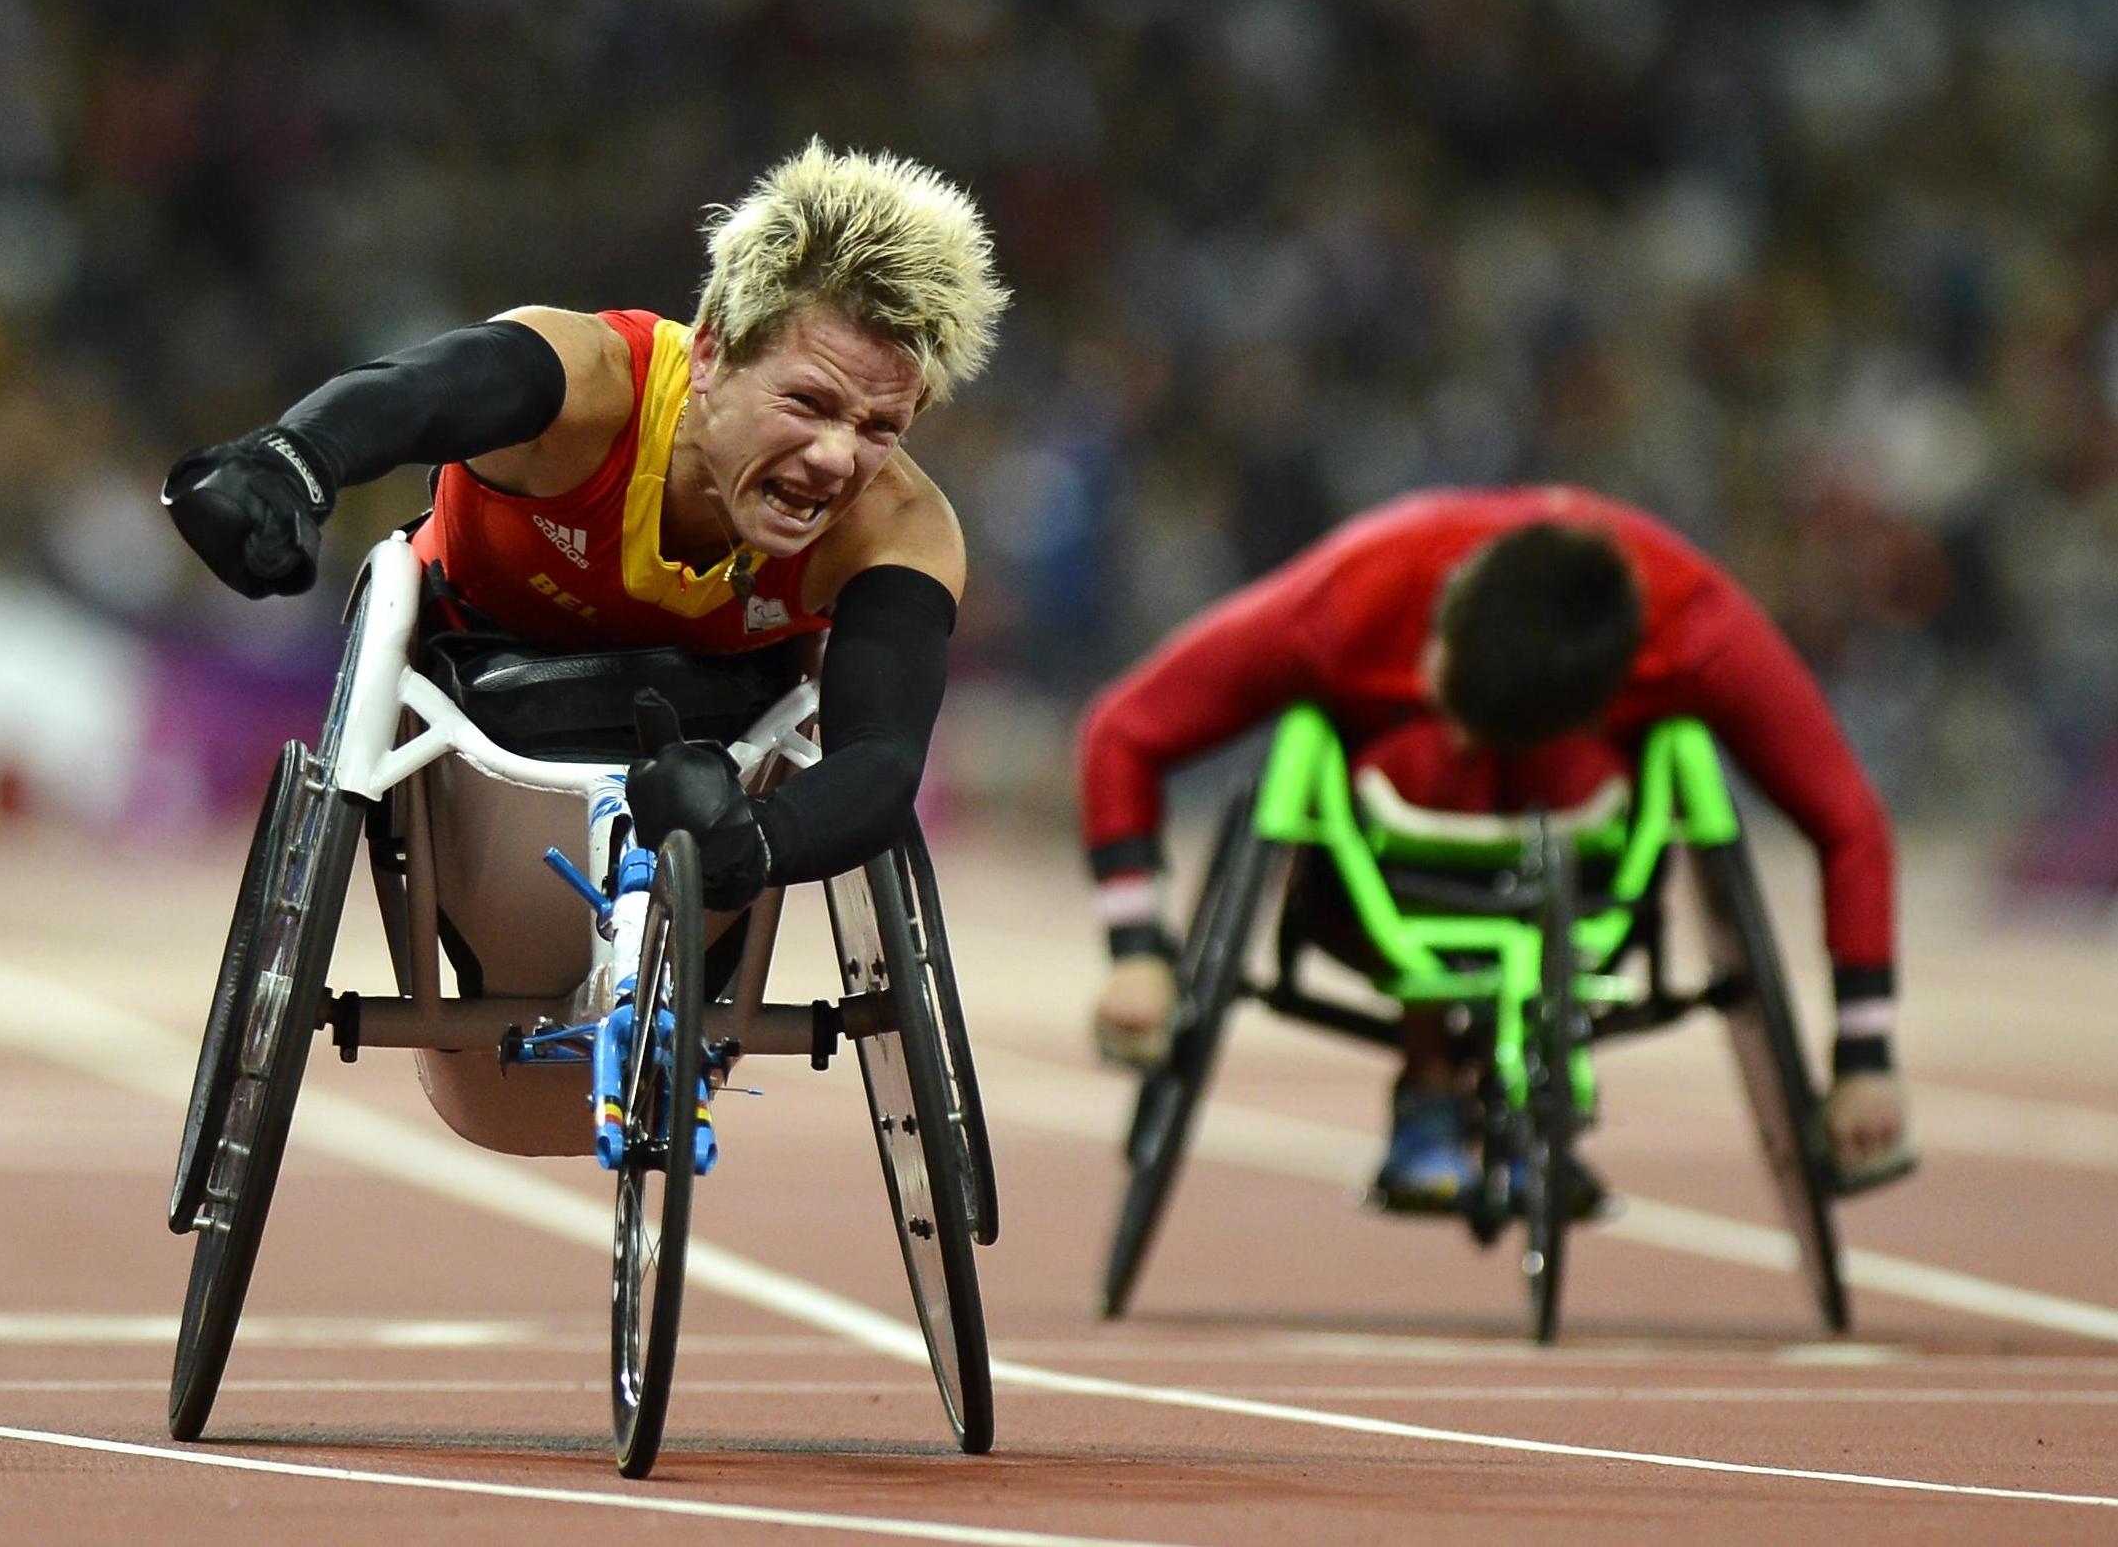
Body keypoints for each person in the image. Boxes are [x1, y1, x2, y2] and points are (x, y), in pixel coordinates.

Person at [162, 139, 1007, 908]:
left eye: (878, 428)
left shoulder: (898, 528)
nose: (835, 458)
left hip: (707, 742)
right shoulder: (594, 383)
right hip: (472, 678)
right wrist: (290, 460)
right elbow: (413, 394)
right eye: (808, 402)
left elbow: (882, 763)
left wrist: (755, 840)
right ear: (710, 355)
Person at [1078, 485, 1914, 1211]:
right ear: (1447, 604)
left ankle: (1529, 1075)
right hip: (1373, 883)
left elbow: (1848, 818)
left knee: (1593, 777)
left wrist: (1865, 1055)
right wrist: (1137, 947)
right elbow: (1124, 729)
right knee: (1421, 762)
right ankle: (1432, 1075)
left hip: (1584, 871)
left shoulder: (1696, 627)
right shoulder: (1356, 593)